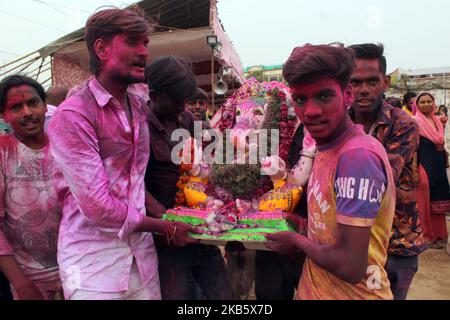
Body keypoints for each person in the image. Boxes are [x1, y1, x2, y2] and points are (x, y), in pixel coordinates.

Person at [48, 8, 198, 300]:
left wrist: (170, 215)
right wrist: (165, 227)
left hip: (142, 262)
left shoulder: (140, 104)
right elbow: (99, 207)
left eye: (145, 43)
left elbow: (132, 183)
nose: (143, 52)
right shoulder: (74, 115)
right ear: (101, 48)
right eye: (132, 42)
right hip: (93, 267)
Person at [267, 43, 395, 300]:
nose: (311, 111)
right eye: (301, 99)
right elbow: (330, 228)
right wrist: (303, 227)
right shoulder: (325, 146)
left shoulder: (357, 157)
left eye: (324, 96)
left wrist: (296, 242)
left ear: (347, 95)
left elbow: (350, 266)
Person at [144, 56, 232, 300]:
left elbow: (216, 152)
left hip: (200, 230)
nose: (183, 106)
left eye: (186, 99)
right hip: (166, 239)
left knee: (223, 296)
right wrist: (167, 221)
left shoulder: (186, 119)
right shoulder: (139, 127)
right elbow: (133, 186)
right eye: (177, 100)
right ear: (154, 95)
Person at [348, 43, 426, 300]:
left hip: (396, 243)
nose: (364, 90)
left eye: (372, 81)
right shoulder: (340, 121)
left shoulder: (402, 123)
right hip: (353, 242)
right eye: (355, 82)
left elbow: (379, 180)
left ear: (386, 82)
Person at [0, 75, 62, 300]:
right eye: (16, 107)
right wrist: (21, 284)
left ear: (45, 105)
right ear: (4, 115)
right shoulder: (3, 152)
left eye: (33, 103)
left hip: (77, 270)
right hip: (30, 280)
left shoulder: (66, 146)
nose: (27, 112)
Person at [413, 92, 450, 249]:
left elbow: (442, 144)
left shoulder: (437, 121)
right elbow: (413, 148)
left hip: (438, 165)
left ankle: (439, 234)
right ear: (417, 105)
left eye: (429, 101)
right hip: (423, 165)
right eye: (422, 102)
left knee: (437, 199)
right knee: (423, 201)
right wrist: (414, 169)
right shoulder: (414, 122)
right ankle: (426, 237)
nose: (426, 104)